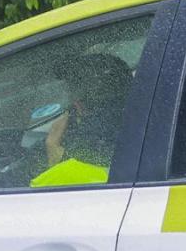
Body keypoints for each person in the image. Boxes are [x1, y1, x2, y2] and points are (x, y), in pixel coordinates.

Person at [30, 53, 135, 187]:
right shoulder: (143, 121)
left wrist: (54, 154)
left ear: (78, 106)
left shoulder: (67, 171)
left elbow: (43, 202)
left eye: (69, 91)